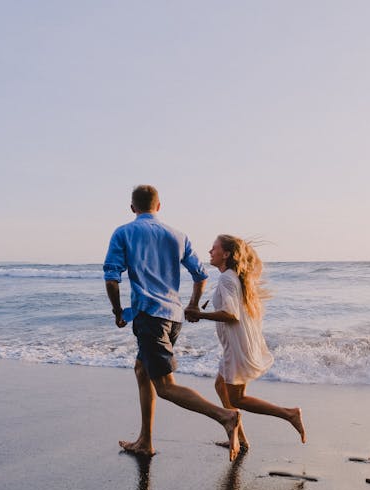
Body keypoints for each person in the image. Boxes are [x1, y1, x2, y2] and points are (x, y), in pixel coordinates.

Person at [103, 185, 242, 460]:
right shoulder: (178, 235)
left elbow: (111, 277)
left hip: (150, 317)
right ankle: (145, 440)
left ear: (133, 208)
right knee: (142, 371)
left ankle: (225, 416)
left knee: (165, 386)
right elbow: (201, 276)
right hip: (172, 316)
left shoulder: (123, 232)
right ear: (159, 206)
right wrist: (191, 305)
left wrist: (117, 310)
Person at [186, 234, 306, 448]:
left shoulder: (227, 278)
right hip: (234, 345)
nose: (210, 252)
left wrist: (198, 314)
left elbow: (231, 314)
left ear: (226, 254)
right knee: (220, 387)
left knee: (238, 398)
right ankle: (239, 437)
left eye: (214, 249)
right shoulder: (233, 276)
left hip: (236, 348)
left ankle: (289, 414)